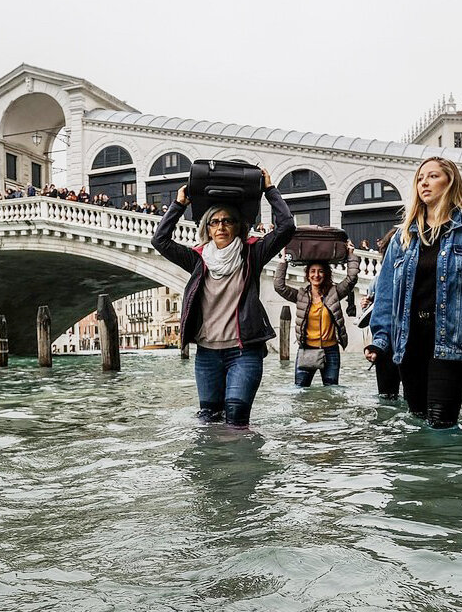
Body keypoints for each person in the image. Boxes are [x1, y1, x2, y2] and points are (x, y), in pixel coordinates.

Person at [365, 156, 462, 428]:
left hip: (454, 343)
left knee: (441, 423)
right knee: (418, 421)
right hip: (410, 343)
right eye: (420, 178)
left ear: (450, 182)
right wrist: (380, 339)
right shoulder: (403, 236)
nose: (424, 183)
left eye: (432, 176)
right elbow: (385, 294)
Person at [151, 168, 295, 426]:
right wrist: (178, 205)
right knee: (208, 420)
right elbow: (160, 241)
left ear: (238, 226)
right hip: (207, 354)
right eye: (215, 222)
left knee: (237, 418)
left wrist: (269, 190)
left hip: (244, 352)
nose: (221, 226)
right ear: (207, 228)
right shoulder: (197, 259)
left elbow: (286, 227)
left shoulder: (252, 255)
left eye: (228, 221)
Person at [273, 243, 360, 386]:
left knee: (331, 391)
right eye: (312, 271)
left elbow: (351, 279)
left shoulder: (334, 293)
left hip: (331, 350)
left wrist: (351, 254)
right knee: (300, 391)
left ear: (326, 274)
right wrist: (283, 260)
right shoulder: (301, 295)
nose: (316, 275)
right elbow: (279, 286)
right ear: (307, 275)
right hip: (307, 349)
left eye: (320, 271)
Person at [359, 231, 401, 398]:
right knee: (387, 397)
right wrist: (367, 305)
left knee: (388, 398)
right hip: (386, 343)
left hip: (392, 342)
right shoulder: (377, 280)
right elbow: (373, 312)